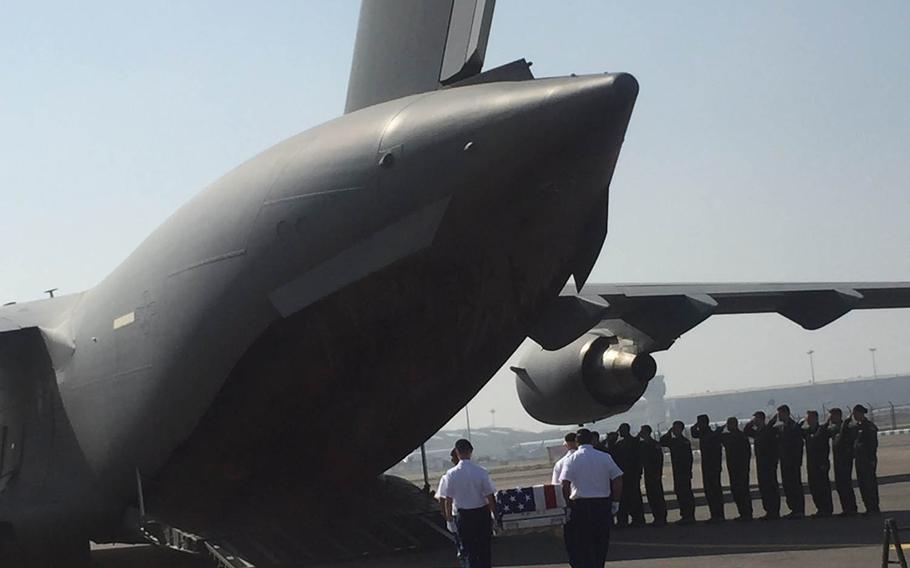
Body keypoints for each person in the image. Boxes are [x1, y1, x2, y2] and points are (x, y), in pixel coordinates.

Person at [559, 428, 624, 568]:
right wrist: (616, 502)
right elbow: (618, 479)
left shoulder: (571, 459)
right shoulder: (604, 457)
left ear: (577, 442)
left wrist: (568, 504)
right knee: (601, 540)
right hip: (601, 504)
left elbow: (564, 485)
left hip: (580, 505)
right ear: (592, 440)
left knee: (582, 542)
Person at [439, 439, 497, 568]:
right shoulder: (481, 471)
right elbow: (490, 496)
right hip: (481, 514)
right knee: (484, 551)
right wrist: (495, 515)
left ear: (457, 452)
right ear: (471, 452)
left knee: (469, 551)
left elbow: (448, 499)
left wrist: (449, 519)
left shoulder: (451, 474)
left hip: (464, 517)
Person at [769, 405, 805, 519]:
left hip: (792, 461)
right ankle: (793, 508)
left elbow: (799, 445)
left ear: (787, 413)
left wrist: (797, 461)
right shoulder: (780, 427)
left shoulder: (794, 426)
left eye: (781, 414)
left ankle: (799, 509)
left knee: (795, 485)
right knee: (787, 485)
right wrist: (772, 420)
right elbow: (767, 432)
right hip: (784, 461)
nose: (779, 416)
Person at [744, 410, 780, 520]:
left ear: (762, 419)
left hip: (769, 463)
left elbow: (775, 447)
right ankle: (768, 510)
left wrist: (774, 462)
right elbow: (746, 431)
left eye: (756, 419)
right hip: (760, 464)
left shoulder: (768, 430)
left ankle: (774, 511)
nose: (755, 422)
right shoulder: (758, 433)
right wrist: (751, 422)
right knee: (763, 487)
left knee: (771, 487)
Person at [660, 421, 696, 524]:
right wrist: (668, 432)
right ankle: (685, 515)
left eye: (676, 428)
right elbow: (662, 441)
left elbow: (689, 458)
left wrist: (688, 472)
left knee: (686, 493)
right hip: (677, 471)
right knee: (679, 492)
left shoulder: (684, 441)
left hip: (683, 471)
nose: (674, 430)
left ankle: (689, 515)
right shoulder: (674, 441)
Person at [551, 432, 579, 567]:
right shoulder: (591, 457)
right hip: (591, 501)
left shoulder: (560, 463)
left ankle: (575, 561)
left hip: (569, 502)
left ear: (566, 444)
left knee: (572, 537)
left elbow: (556, 486)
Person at [691, 414, 725, 523]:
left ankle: (718, 514)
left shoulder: (712, 435)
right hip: (707, 466)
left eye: (700, 423)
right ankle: (715, 514)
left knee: (715, 491)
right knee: (709, 491)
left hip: (713, 466)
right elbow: (693, 432)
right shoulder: (707, 433)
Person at [826, 407, 858, 516]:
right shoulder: (834, 428)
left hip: (845, 459)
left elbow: (850, 441)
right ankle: (846, 508)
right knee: (840, 485)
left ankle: (851, 508)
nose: (830, 418)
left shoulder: (847, 427)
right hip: (837, 460)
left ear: (837, 416)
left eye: (832, 415)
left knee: (846, 484)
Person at [801, 410, 833, 517]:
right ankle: (820, 508)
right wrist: (801, 421)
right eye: (807, 418)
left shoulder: (822, 430)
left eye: (809, 418)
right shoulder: (807, 431)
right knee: (814, 487)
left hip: (821, 463)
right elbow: (796, 430)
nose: (807, 420)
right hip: (811, 464)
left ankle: (827, 509)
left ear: (815, 418)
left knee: (823, 486)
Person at [849, 405, 880, 514]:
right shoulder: (857, 427)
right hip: (859, 460)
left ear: (860, 413)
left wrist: (871, 460)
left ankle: (873, 507)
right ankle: (868, 506)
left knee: (869, 483)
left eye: (855, 414)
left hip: (867, 459)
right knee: (862, 483)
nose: (854, 416)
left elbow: (873, 445)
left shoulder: (869, 427)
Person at [721, 417, 753, 521]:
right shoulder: (734, 436)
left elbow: (746, 453)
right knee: (737, 491)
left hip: (739, 468)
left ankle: (746, 513)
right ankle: (744, 512)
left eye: (729, 424)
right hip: (735, 467)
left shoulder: (739, 436)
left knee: (742, 491)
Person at [614, 423, 645, 527]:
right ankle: (636, 518)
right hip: (630, 474)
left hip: (628, 474)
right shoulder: (633, 442)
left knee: (627, 498)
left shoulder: (624, 444)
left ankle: (626, 519)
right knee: (632, 497)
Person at [438, 449, 464, 566]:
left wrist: (446, 516)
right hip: (473, 513)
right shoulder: (477, 472)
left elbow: (443, 498)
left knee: (462, 546)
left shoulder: (448, 476)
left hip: (458, 515)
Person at [638, 425, 667, 526]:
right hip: (647, 473)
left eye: (642, 431)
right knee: (651, 496)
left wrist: (658, 473)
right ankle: (656, 517)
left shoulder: (654, 444)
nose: (640, 433)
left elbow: (659, 460)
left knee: (657, 496)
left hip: (654, 473)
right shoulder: (642, 444)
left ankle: (661, 517)